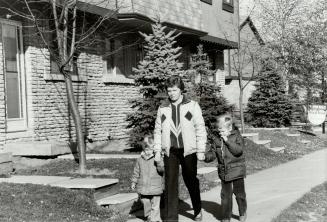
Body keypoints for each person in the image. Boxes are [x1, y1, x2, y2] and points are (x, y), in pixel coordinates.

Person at [153, 75, 207, 222]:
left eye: (174, 90)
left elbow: (200, 128)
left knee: (190, 180)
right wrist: (157, 151)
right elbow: (158, 131)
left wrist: (201, 150)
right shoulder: (163, 108)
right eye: (169, 90)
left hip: (188, 150)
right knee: (170, 183)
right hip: (170, 151)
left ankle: (197, 209)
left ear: (181, 90)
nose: (171, 93)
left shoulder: (192, 105)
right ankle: (171, 219)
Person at [204, 112, 247, 222]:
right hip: (225, 172)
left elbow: (238, 151)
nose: (220, 132)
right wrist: (204, 156)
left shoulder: (237, 136)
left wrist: (227, 140)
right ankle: (226, 217)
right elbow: (212, 154)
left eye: (222, 130)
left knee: (239, 194)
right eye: (219, 129)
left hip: (237, 169)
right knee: (225, 196)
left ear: (230, 127)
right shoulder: (217, 139)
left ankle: (242, 212)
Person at [131, 134, 165, 222]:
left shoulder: (157, 158)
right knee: (145, 202)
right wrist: (134, 182)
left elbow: (162, 170)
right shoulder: (139, 160)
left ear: (154, 149)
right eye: (146, 149)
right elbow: (136, 172)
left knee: (155, 204)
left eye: (150, 149)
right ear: (144, 149)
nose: (148, 151)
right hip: (144, 187)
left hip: (155, 186)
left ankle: (155, 219)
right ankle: (149, 215)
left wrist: (159, 162)